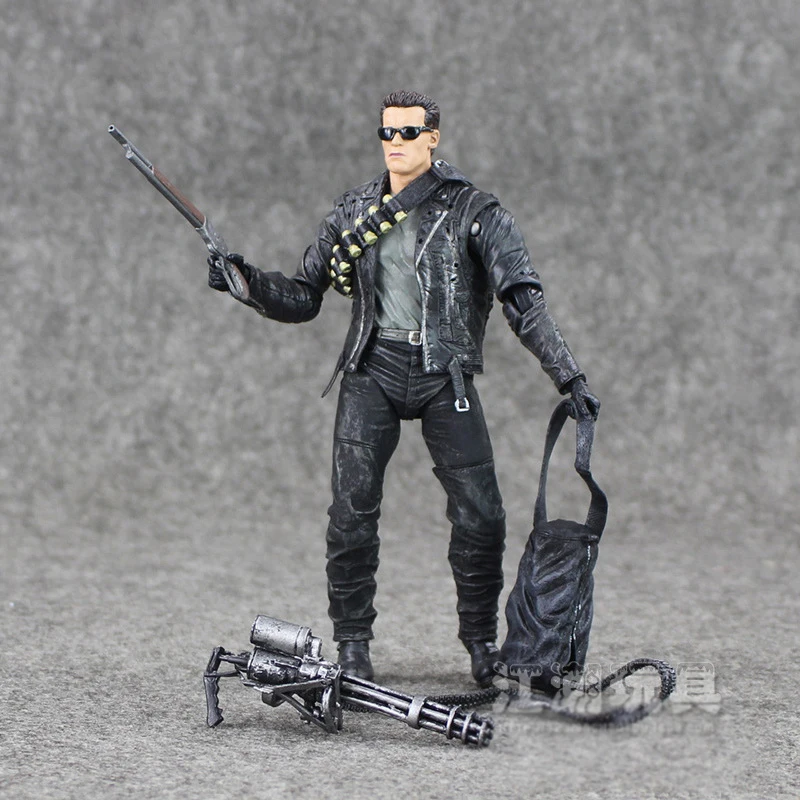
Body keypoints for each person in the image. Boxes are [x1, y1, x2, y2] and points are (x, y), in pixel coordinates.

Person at [208, 90, 599, 687]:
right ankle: (352, 645)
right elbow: (304, 294)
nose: (396, 143)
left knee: (482, 515)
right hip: (373, 368)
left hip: (445, 373)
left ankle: (481, 643)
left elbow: (522, 298)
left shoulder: (474, 210)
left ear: (432, 137)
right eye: (387, 132)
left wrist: (567, 373)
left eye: (409, 132)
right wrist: (245, 281)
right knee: (351, 512)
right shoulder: (354, 211)